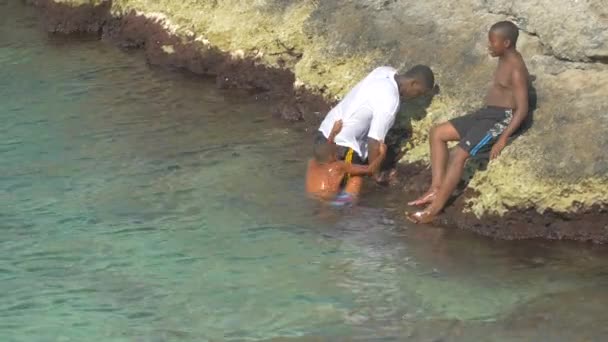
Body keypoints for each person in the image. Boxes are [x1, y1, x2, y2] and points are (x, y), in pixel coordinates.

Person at [407, 21, 529, 224]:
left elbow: (522, 109)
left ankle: (433, 210)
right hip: (486, 113)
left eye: (493, 42)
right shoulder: (503, 56)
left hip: (501, 118)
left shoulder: (516, 68)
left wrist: (503, 138)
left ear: (506, 43)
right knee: (437, 133)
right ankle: (435, 189)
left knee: (458, 155)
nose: (489, 46)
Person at [313, 64, 435, 204]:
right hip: (343, 148)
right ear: (413, 83)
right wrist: (375, 175)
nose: (416, 97)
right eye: (419, 93)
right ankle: (337, 216)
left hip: (324, 134)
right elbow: (373, 142)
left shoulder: (383, 71)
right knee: (347, 200)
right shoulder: (391, 101)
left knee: (324, 192)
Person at [306, 120, 386, 203]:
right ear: (331, 155)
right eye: (335, 150)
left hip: (314, 200)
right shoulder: (338, 166)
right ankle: (350, 207)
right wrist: (382, 154)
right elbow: (370, 169)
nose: (337, 148)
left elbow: (325, 151)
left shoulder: (311, 162)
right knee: (356, 178)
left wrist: (333, 133)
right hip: (334, 204)